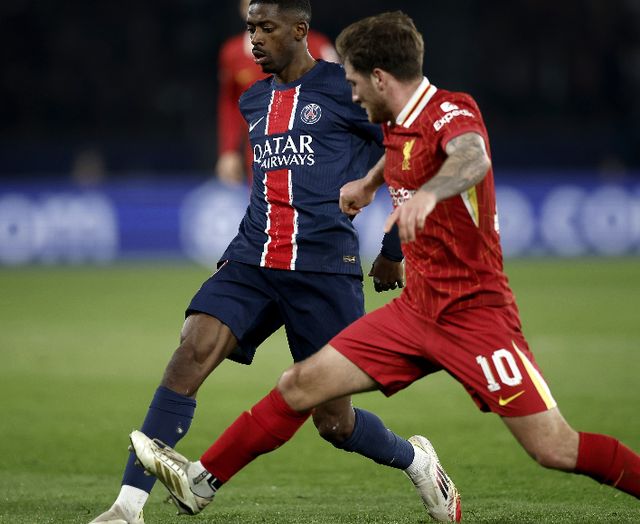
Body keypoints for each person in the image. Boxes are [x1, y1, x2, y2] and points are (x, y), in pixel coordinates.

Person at [130, 8, 640, 522]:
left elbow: (472, 157)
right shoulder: (393, 127)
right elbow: (396, 152)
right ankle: (201, 483)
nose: (349, 95)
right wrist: (371, 184)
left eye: (353, 83)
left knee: (554, 448)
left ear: (378, 78)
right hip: (414, 313)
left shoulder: (451, 109)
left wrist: (429, 195)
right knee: (299, 385)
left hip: (475, 315)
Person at [89, 1, 408, 523]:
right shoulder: (254, 99)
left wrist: (393, 246)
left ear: (300, 30)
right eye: (250, 28)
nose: (254, 38)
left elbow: (403, 147)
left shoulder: (343, 88)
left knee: (334, 422)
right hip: (254, 258)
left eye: (266, 28)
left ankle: (416, 460)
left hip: (324, 267)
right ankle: (128, 507)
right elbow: (267, 188)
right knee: (191, 348)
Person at [216, 0, 337, 185]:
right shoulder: (233, 53)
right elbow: (230, 104)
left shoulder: (316, 47)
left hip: (313, 155)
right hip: (261, 158)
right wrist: (229, 150)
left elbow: (338, 98)